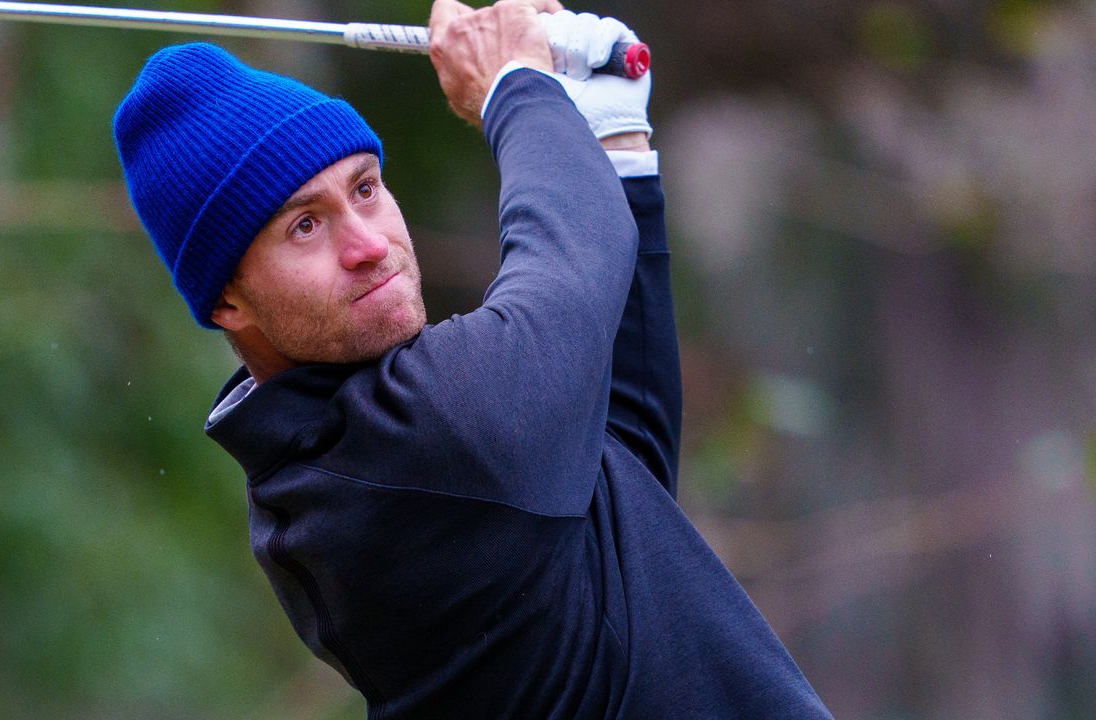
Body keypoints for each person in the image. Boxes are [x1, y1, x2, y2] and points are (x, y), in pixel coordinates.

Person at [113, 0, 833, 716]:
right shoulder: (402, 452)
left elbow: (625, 464)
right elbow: (571, 270)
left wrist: (616, 144)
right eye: (305, 226)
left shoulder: (351, 453)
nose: (367, 243)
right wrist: (516, 88)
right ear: (228, 303)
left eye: (365, 188)